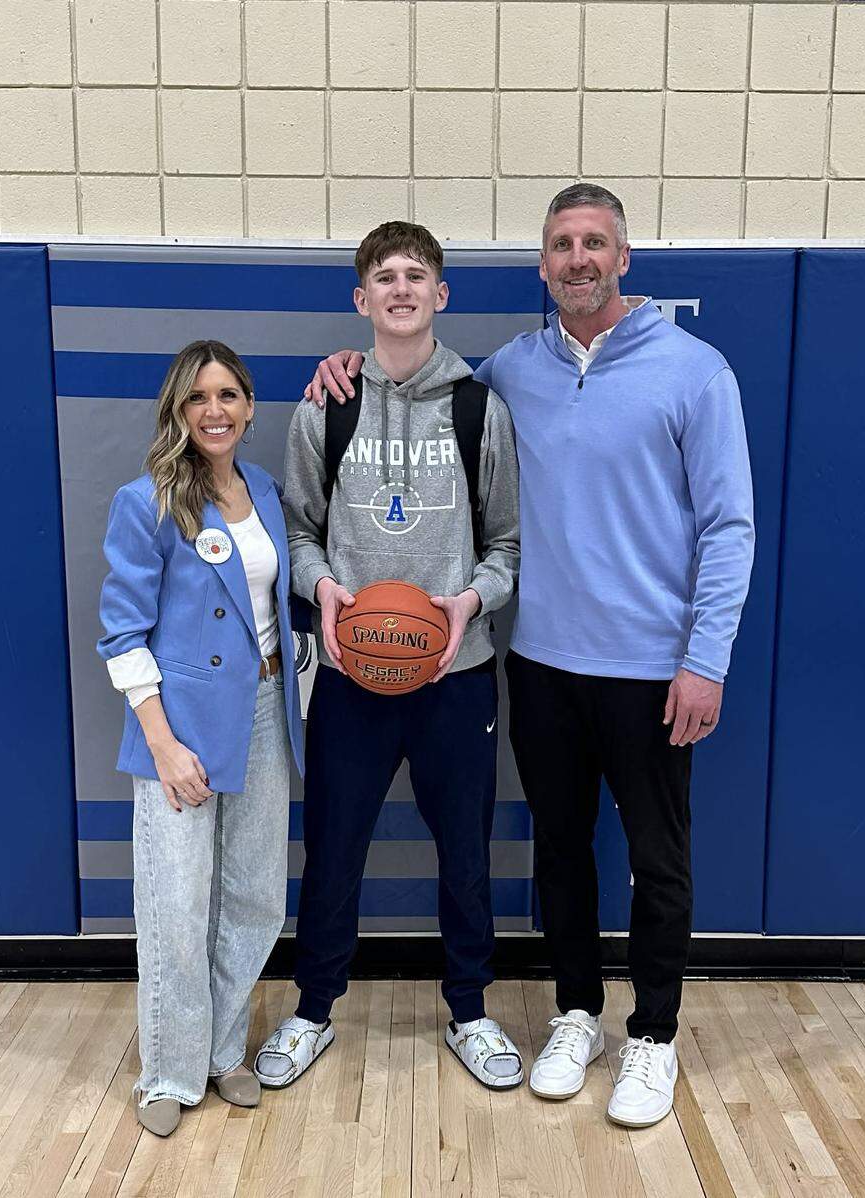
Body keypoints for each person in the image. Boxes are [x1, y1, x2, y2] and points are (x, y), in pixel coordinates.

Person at [303, 184, 755, 1126]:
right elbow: (409, 375)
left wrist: (704, 659)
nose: (579, 258)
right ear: (542, 266)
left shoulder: (695, 370)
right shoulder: (511, 371)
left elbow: (729, 526)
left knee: (658, 860)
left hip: (650, 668)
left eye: (596, 243)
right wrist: (342, 369)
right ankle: (578, 1011)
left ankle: (656, 1037)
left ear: (624, 257)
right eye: (561, 245)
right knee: (560, 854)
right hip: (543, 663)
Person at [253, 221, 523, 1091]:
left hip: (457, 673)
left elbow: (509, 547)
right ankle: (313, 1011)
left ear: (441, 297)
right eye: (384, 276)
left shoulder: (481, 408)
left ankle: (471, 1013)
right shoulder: (323, 405)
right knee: (333, 848)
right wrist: (325, 589)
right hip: (349, 677)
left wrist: (470, 599)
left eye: (417, 275)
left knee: (466, 853)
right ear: (360, 299)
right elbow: (296, 530)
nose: (400, 288)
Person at [98, 340, 305, 1136]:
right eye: (198, 398)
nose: (214, 410)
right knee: (177, 903)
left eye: (228, 395)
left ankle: (223, 1052)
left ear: (250, 408)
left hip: (262, 713)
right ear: (177, 412)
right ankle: (169, 1071)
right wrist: (161, 742)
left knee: (251, 897)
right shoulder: (146, 501)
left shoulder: (265, 489)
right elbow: (121, 634)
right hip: (180, 726)